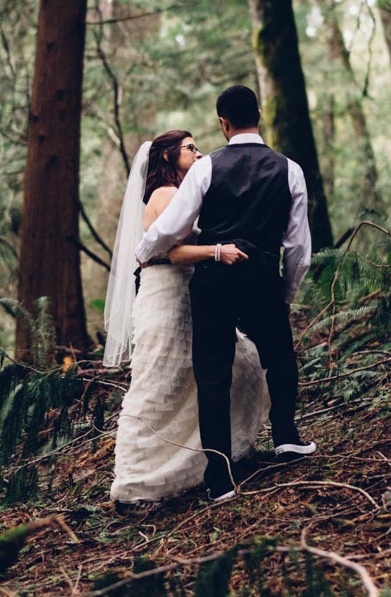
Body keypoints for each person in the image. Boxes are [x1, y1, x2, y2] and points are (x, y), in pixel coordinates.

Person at [136, 87, 315, 503]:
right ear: (258, 115)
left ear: (223, 123)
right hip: (263, 276)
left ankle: (219, 476)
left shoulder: (206, 167)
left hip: (214, 280)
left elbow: (172, 227)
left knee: (211, 373)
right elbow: (300, 246)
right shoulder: (290, 169)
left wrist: (144, 253)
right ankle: (286, 437)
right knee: (279, 357)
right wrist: (285, 291)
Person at [104, 130, 268, 510]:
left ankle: (206, 461)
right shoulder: (166, 195)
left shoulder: (178, 194)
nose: (198, 153)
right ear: (167, 158)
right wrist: (218, 251)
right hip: (167, 297)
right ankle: (135, 483)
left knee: (232, 366)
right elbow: (175, 254)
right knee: (157, 387)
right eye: (189, 149)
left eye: (197, 147)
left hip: (184, 295)